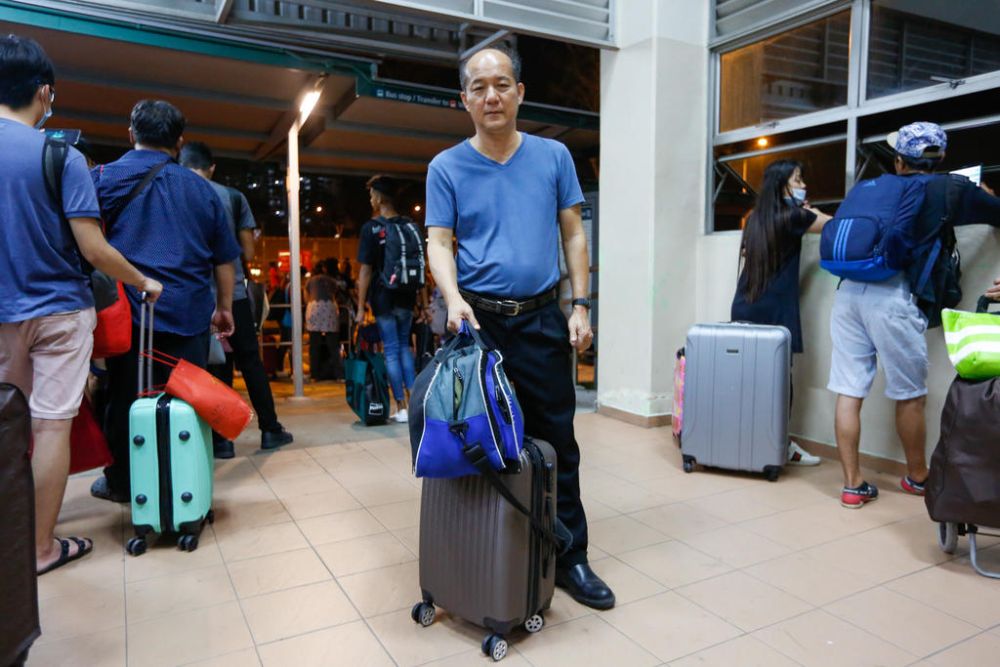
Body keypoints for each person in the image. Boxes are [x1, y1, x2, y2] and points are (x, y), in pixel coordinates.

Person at [424, 46, 614, 609]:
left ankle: (570, 555)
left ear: (520, 92)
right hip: (478, 325)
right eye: (479, 87)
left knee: (559, 440)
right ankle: (494, 547)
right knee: (479, 442)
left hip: (539, 319)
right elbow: (439, 242)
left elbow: (574, 233)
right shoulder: (446, 167)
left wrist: (580, 304)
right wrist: (453, 298)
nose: (492, 96)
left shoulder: (553, 156)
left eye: (502, 84)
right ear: (465, 99)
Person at [0, 35, 163, 574]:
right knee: (50, 427)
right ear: (44, 91)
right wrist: (142, 280)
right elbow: (93, 248)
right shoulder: (58, 155)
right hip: (61, 312)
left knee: (6, 424)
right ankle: (41, 548)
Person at [830, 122, 1000, 509]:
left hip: (847, 294)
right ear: (939, 158)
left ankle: (852, 485)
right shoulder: (950, 188)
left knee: (849, 389)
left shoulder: (871, 188)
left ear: (899, 161)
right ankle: (917, 476)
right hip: (893, 298)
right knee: (910, 394)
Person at [90, 100, 241, 503]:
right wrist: (223, 306)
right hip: (190, 313)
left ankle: (123, 482)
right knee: (187, 400)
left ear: (130, 133)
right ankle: (183, 480)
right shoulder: (202, 190)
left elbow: (84, 243)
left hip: (130, 316)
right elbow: (224, 257)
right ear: (180, 141)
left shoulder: (102, 178)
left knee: (124, 397)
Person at [179, 141, 293, 458]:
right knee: (250, 361)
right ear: (211, 167)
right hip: (234, 295)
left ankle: (221, 439)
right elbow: (247, 253)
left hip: (194, 296)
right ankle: (270, 429)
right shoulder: (232, 197)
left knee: (215, 366)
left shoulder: (175, 192)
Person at [731, 159, 831, 466]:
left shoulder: (756, 218)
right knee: (778, 383)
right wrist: (811, 211)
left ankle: (743, 440)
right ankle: (779, 445)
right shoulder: (794, 217)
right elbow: (834, 224)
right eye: (798, 180)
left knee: (750, 380)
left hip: (745, 306)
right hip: (774, 312)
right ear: (782, 186)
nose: (803, 186)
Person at [356, 176, 419, 423]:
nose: (370, 199)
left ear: (380, 197)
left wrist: (361, 306)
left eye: (372, 195)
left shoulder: (371, 228)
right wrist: (422, 303)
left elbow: (365, 270)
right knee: (404, 346)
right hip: (407, 295)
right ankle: (414, 401)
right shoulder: (409, 225)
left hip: (383, 296)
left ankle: (401, 406)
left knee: (390, 351)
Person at [305, 260, 343, 381]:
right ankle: (339, 375)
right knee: (333, 345)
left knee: (314, 345)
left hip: (314, 308)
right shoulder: (332, 281)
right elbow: (336, 294)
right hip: (330, 309)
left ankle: (314, 375)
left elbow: (306, 298)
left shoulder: (310, 281)